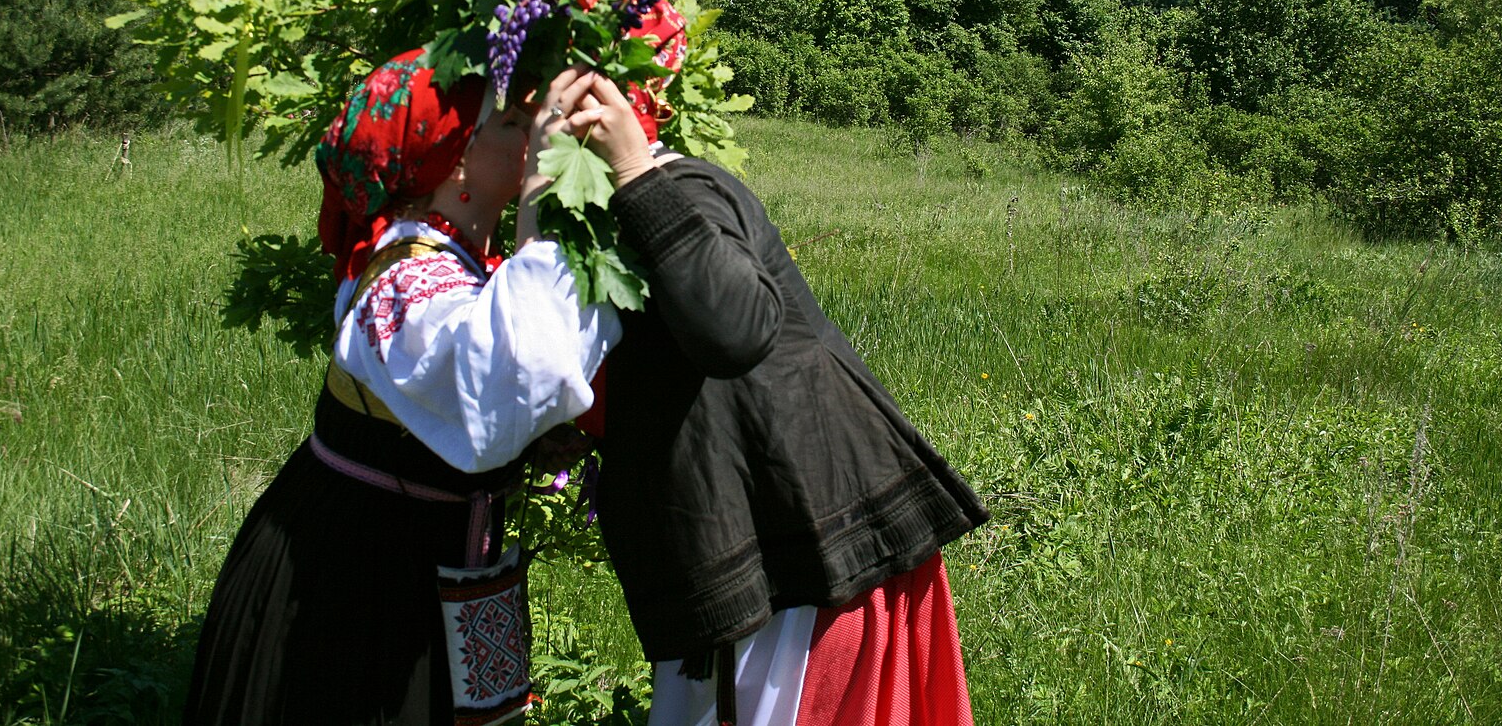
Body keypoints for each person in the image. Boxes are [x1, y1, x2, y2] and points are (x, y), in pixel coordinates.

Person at [184, 51, 617, 726]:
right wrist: (544, 198)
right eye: (511, 121)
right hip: (351, 584)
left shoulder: (451, 267)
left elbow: (496, 392)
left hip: (420, 565)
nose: (535, 129)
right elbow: (512, 384)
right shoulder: (405, 280)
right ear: (452, 161)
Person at [561, 49, 988, 726]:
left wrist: (634, 172)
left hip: (804, 560)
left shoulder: (679, 190)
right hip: (756, 547)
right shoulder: (586, 215)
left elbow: (735, 331)